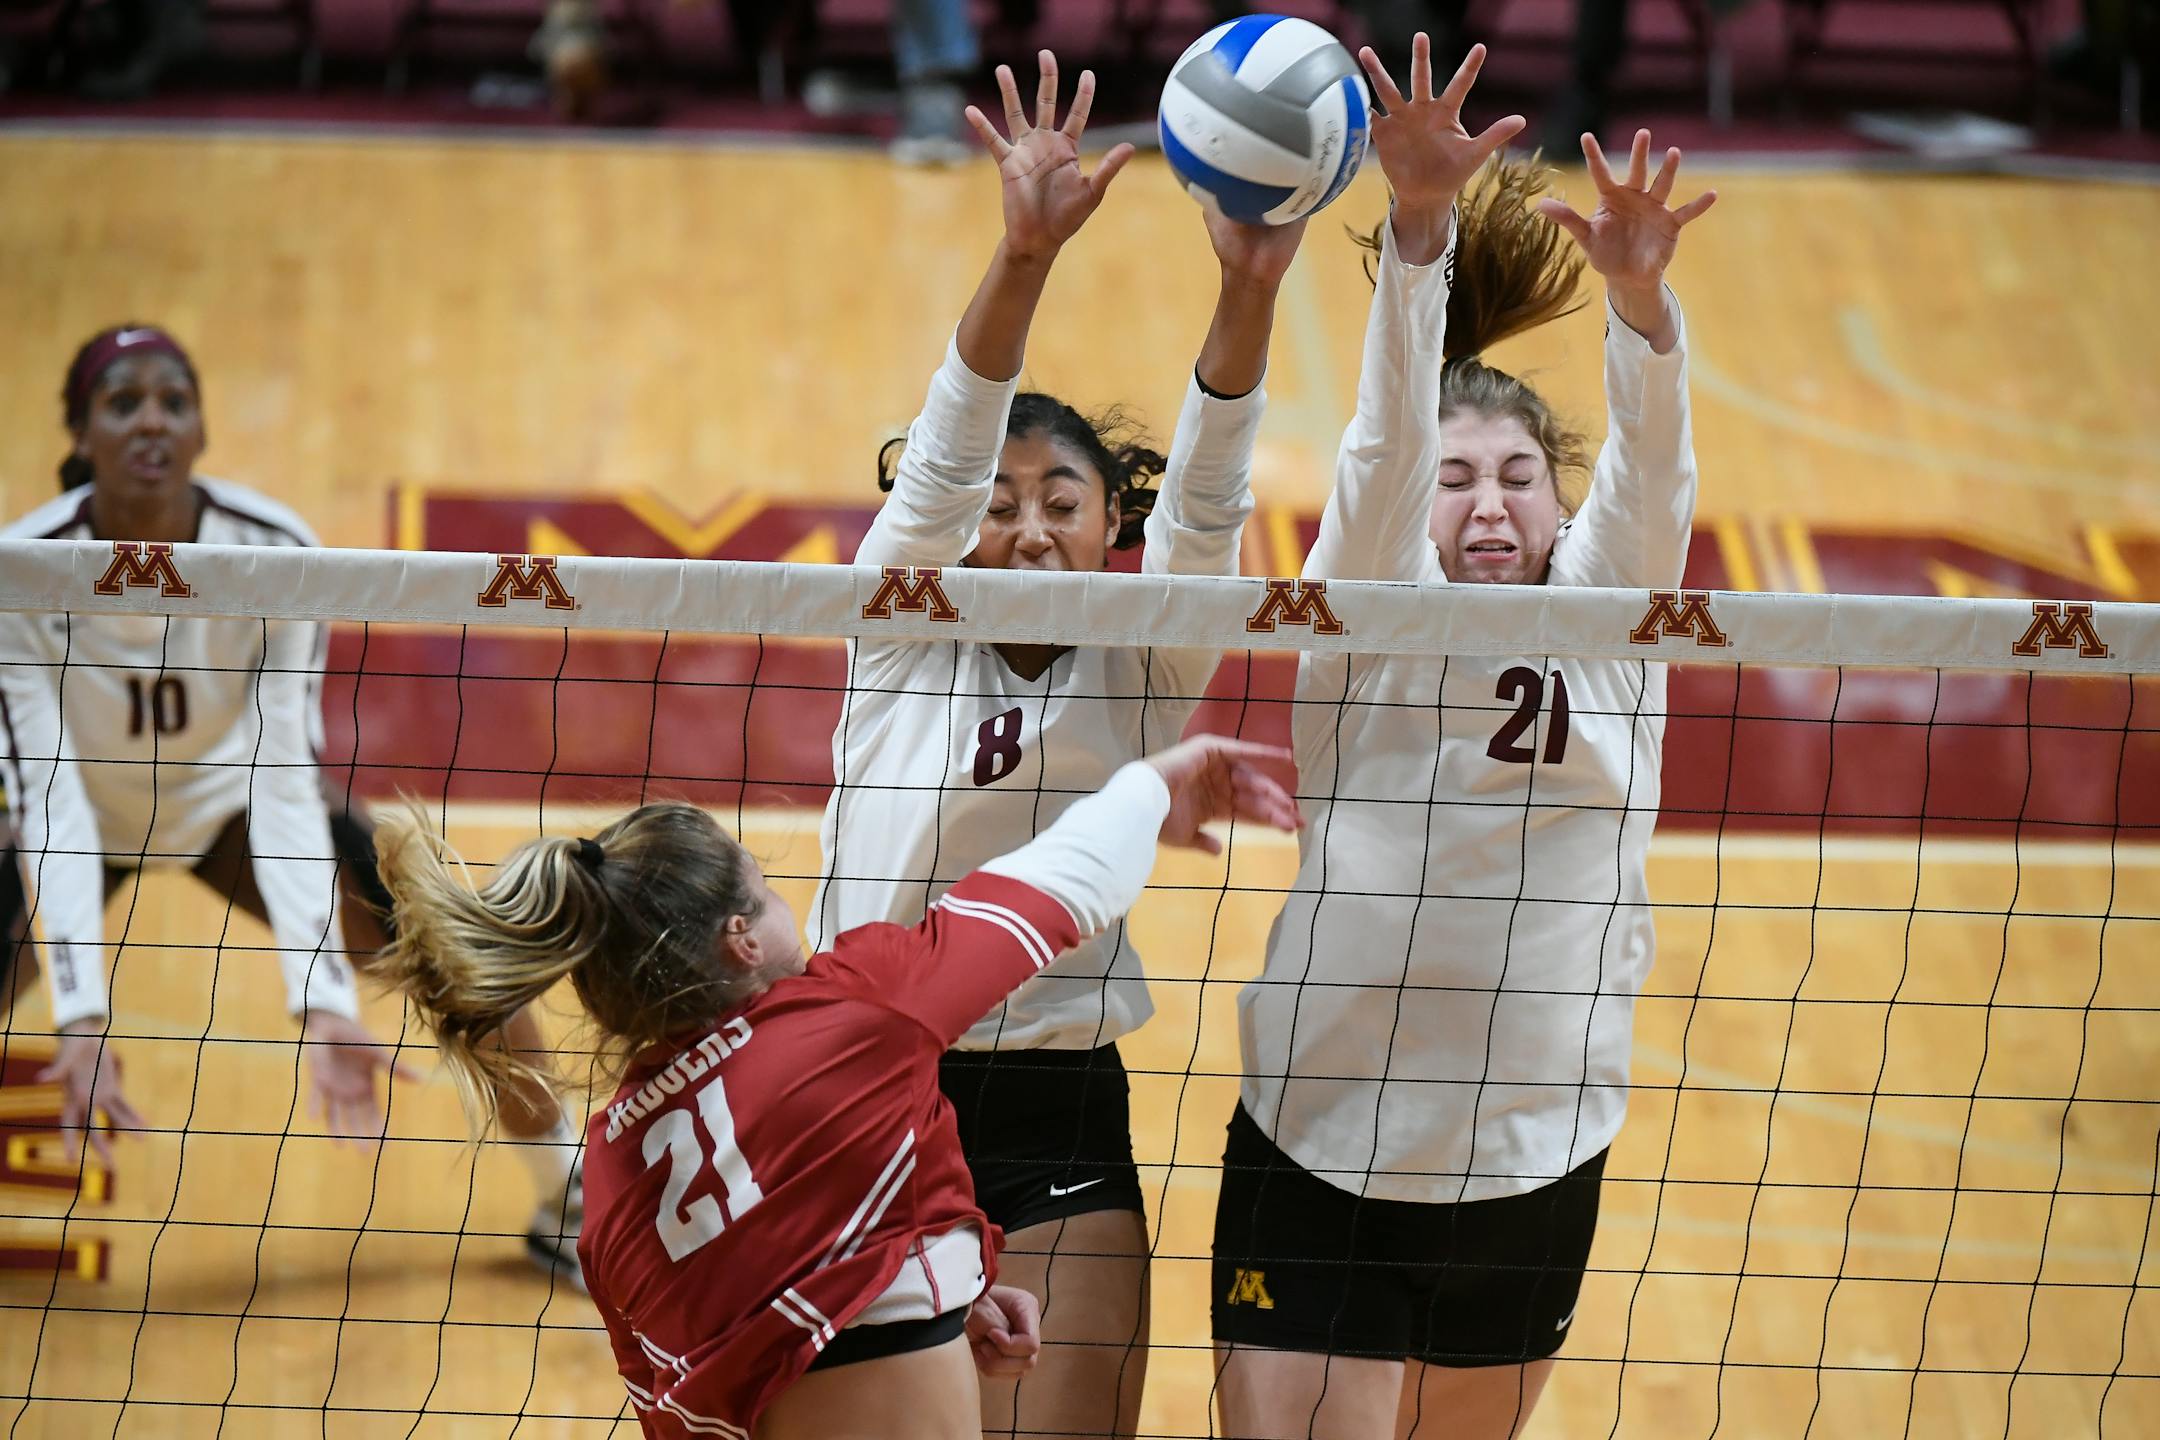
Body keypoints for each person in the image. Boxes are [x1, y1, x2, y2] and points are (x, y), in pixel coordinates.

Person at [1210, 36, 1717, 1440]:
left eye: (1518, 476)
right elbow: (1379, 450)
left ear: (1561, 502)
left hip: (1532, 1160)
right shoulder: (1368, 607)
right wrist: (1419, 225)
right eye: (1458, 480)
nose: (1490, 504)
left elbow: (1656, 472)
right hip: (1322, 1144)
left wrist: (1638, 302)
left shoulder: (1615, 620)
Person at [809, 49, 1305, 1440]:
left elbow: (1209, 502)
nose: (1028, 529)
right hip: (869, 1086)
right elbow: (945, 450)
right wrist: (1023, 254)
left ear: (1108, 529)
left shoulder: (1147, 657)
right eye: (1002, 503)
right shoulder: (900, 625)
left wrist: (1250, 287)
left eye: (1064, 502)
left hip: (1056, 1101)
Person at [370, 733, 1301, 1440]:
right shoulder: (849, 1015)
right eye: (767, 889)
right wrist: (1154, 782)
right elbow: (1056, 888)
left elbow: (731, 1348)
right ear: (741, 937)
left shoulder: (610, 1173)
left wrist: (940, 1293)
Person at [0, 325, 589, 1288]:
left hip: (230, 806)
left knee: (472, 965)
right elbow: (50, 793)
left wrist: (323, 998)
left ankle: (567, 1198)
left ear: (200, 431)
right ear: (80, 431)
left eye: (174, 402)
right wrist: (80, 1013)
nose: (152, 421)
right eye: (123, 403)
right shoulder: (23, 567)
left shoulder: (274, 552)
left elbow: (282, 777)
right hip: (83, 817)